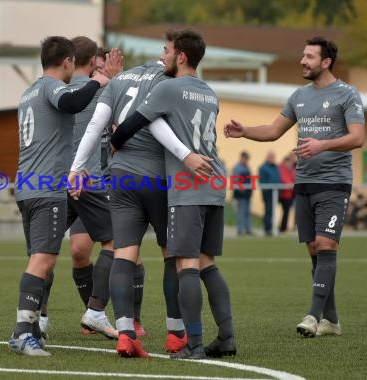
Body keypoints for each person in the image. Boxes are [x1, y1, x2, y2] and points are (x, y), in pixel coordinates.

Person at [68, 56, 211, 358]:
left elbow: (95, 125)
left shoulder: (119, 80)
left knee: (124, 253)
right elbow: (155, 122)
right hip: (158, 178)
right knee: (171, 254)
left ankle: (125, 333)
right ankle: (175, 334)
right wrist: (185, 155)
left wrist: (77, 167)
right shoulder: (167, 81)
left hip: (120, 177)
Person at [224, 36, 365, 337]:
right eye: (303, 56)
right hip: (304, 184)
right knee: (315, 250)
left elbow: (357, 137)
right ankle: (333, 321)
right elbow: (274, 130)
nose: (303, 61)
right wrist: (245, 130)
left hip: (334, 183)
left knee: (327, 245)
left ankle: (313, 317)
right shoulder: (299, 96)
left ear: (326, 62)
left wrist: (322, 145)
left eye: (310, 57)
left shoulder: (347, 94)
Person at [110, 28, 237, 360]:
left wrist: (115, 139)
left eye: (166, 50)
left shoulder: (167, 87)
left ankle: (193, 344)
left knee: (186, 264)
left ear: (181, 56)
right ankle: (226, 337)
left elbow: (133, 123)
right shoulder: (209, 92)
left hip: (187, 184)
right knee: (208, 263)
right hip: (214, 181)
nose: (162, 56)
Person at [8, 36, 120, 357]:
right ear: (68, 62)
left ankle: (32, 329)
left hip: (29, 185)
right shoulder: (49, 87)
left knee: (43, 260)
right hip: (46, 189)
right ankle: (22, 332)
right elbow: (72, 102)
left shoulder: (28, 92)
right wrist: (101, 79)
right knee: (43, 261)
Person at [40, 37, 118, 340]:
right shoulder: (100, 91)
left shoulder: (51, 90)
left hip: (51, 180)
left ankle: (40, 319)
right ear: (91, 61)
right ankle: (97, 310)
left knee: (46, 252)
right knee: (118, 243)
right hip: (88, 182)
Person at [259, 151, 281, 236]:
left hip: (275, 192)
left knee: (273, 211)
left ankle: (273, 227)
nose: (273, 159)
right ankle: (267, 229)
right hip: (268, 193)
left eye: (273, 157)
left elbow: (277, 178)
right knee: (268, 211)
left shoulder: (276, 167)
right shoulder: (263, 167)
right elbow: (262, 181)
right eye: (271, 157)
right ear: (267, 157)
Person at [232, 151, 253, 236]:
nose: (246, 160)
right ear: (242, 158)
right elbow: (236, 181)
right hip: (240, 195)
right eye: (245, 158)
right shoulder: (237, 168)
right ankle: (240, 230)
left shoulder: (247, 167)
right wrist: (243, 191)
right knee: (241, 212)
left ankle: (248, 229)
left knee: (247, 212)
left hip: (247, 194)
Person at [278, 154, 296, 233]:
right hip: (284, 194)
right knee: (285, 211)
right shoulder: (282, 168)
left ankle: (284, 227)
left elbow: (293, 178)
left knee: (287, 211)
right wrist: (291, 184)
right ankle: (282, 228)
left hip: (289, 194)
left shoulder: (291, 169)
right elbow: (284, 179)